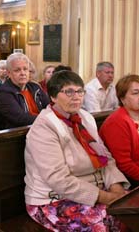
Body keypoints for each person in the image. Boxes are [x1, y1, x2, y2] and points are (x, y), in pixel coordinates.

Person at [25, 70, 129, 231]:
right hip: (54, 199)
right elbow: (57, 179)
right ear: (53, 97)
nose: (76, 96)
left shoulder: (85, 117)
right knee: (101, 226)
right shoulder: (44, 127)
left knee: (134, 213)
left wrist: (116, 188)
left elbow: (105, 157)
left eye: (80, 91)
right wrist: (106, 197)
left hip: (95, 189)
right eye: (68, 91)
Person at [0, 53, 50, 130]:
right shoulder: (4, 93)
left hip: (41, 128)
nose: (23, 73)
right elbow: (21, 119)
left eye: (25, 69)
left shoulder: (35, 87)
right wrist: (48, 120)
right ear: (9, 73)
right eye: (17, 70)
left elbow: (50, 107)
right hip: (16, 137)